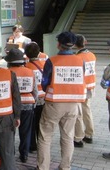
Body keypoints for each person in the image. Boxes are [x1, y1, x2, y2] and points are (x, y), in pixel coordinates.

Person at [37, 31, 86, 170]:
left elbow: (45, 82)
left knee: (45, 136)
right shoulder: (80, 60)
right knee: (68, 136)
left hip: (54, 104)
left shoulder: (52, 61)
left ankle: (43, 167)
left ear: (59, 44)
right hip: (73, 104)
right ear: (73, 45)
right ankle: (65, 166)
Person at [5, 48, 38, 163]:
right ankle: (24, 155)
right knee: (26, 131)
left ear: (9, 62)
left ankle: (11, 154)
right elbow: (35, 91)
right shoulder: (30, 72)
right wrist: (33, 101)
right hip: (28, 104)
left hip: (12, 106)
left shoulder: (7, 73)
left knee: (10, 131)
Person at [24, 42, 48, 153]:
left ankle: (31, 145)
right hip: (43, 98)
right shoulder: (45, 65)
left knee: (31, 123)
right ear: (39, 53)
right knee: (41, 123)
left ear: (26, 54)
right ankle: (42, 145)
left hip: (31, 99)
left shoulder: (25, 68)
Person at [73, 34, 96, 147]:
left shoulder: (78, 57)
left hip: (81, 87)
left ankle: (78, 137)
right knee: (87, 110)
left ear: (74, 44)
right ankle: (89, 134)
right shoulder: (91, 55)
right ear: (85, 42)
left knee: (78, 112)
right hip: (90, 86)